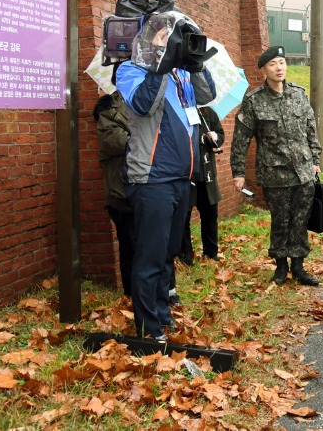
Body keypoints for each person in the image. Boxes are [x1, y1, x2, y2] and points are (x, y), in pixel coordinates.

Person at [117, 21, 216, 340]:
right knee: (150, 254)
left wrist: (195, 62)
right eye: (162, 36)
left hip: (180, 177)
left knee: (169, 251)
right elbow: (143, 104)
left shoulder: (181, 73)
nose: (169, 41)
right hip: (151, 179)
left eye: (171, 37)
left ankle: (161, 312)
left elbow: (207, 94)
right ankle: (148, 328)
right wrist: (161, 65)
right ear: (147, 41)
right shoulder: (130, 71)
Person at [230, 46, 322, 286]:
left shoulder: (299, 95)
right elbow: (241, 138)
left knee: (300, 220)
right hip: (275, 173)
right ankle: (281, 266)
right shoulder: (253, 101)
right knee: (281, 220)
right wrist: (238, 172)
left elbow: (311, 130)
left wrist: (316, 160)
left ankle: (299, 266)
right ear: (264, 69)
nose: (279, 67)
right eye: (273, 64)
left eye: (282, 62)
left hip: (303, 171)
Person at [93, 65, 135, 297]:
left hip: (148, 186)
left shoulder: (145, 105)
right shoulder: (108, 110)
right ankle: (131, 295)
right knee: (130, 244)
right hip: (122, 191)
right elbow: (115, 142)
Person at [180, 105, 225, 263]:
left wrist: (215, 137)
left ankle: (211, 252)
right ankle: (186, 255)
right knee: (183, 216)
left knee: (210, 214)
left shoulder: (207, 112)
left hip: (206, 176)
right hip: (186, 175)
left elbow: (220, 134)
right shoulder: (178, 111)